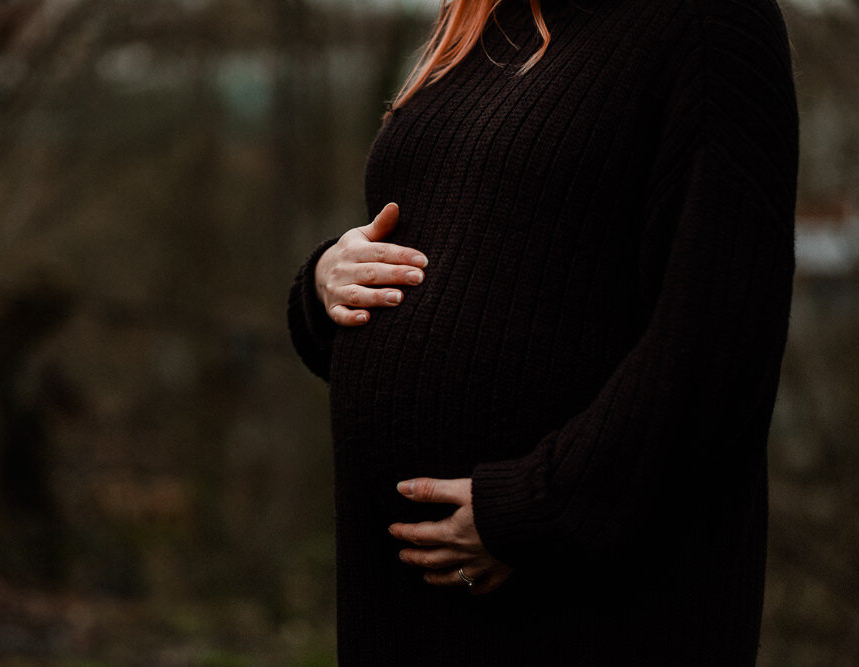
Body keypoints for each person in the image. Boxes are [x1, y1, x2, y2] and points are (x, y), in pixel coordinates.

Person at [286, 0, 798, 663]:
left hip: (587, 594)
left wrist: (536, 510)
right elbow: (476, 246)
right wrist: (326, 281)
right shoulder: (482, 16)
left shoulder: (712, 19)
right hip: (403, 599)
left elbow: (723, 333)